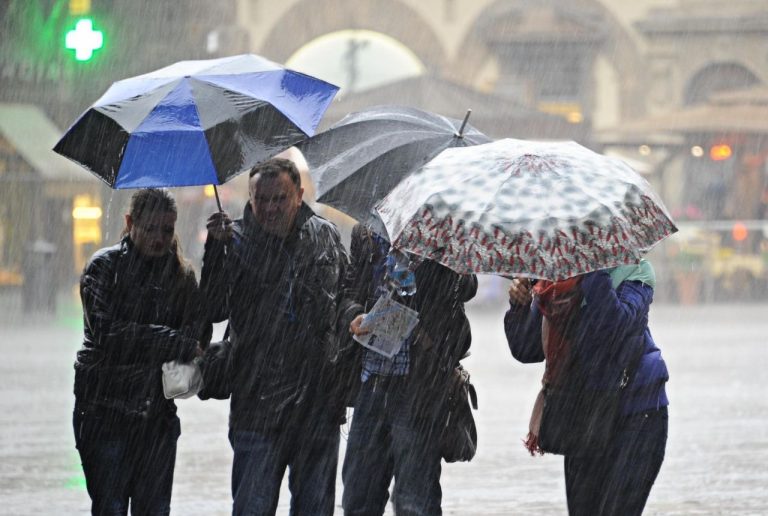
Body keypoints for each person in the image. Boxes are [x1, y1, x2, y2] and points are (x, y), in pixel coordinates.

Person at [199, 157, 349, 516]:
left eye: (279, 198)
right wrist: (214, 253)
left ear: (299, 195)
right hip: (256, 406)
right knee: (252, 507)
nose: (269, 208)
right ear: (250, 199)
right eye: (260, 200)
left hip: (317, 406)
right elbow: (212, 308)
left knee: (315, 508)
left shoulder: (324, 235)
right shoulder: (232, 241)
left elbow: (346, 297)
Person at [73, 188, 207, 515]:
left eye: (167, 229)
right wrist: (169, 339)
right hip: (104, 411)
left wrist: (217, 250)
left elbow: (197, 332)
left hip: (156, 417)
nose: (159, 238)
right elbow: (108, 334)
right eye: (150, 229)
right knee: (111, 506)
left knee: (154, 509)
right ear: (130, 222)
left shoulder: (181, 275)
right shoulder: (104, 268)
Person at [504, 261, 669, 516]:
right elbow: (527, 348)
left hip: (638, 413)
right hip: (584, 416)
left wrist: (591, 271)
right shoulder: (555, 285)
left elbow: (613, 327)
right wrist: (520, 305)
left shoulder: (636, 271)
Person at [339, 223, 478, 516]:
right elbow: (349, 291)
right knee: (358, 497)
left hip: (419, 388)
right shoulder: (367, 233)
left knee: (416, 501)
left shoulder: (442, 230)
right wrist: (354, 315)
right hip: (371, 382)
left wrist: (443, 259)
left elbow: (466, 288)